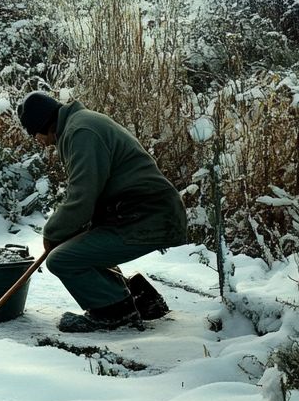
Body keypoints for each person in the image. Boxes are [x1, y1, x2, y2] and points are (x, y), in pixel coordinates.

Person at [17, 91, 188, 333]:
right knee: (78, 248)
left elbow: (82, 197)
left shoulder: (81, 132)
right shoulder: (80, 124)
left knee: (62, 259)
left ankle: (114, 312)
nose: (38, 141)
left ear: (42, 125)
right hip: (136, 214)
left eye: (34, 134)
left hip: (146, 216)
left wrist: (52, 233)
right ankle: (140, 297)